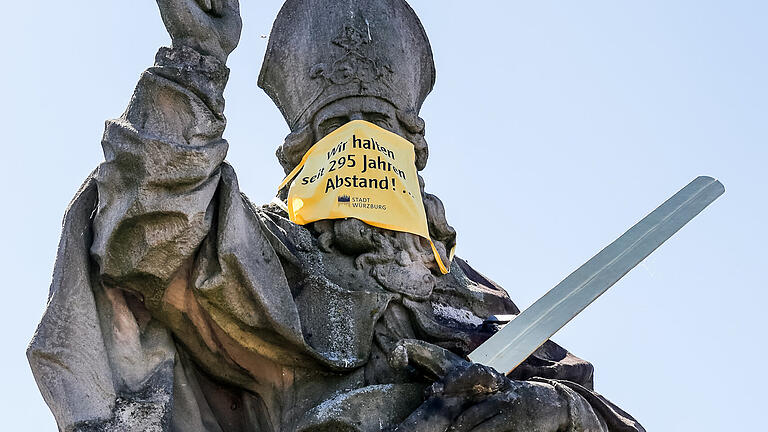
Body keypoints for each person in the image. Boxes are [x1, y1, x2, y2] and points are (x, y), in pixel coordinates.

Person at [28, 0, 645, 430]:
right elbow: (149, 231)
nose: (364, 153)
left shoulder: (472, 295)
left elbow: (597, 410)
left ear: (416, 152)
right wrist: (198, 59)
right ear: (299, 155)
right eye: (337, 136)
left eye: (383, 134)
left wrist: (548, 411)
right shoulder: (268, 250)